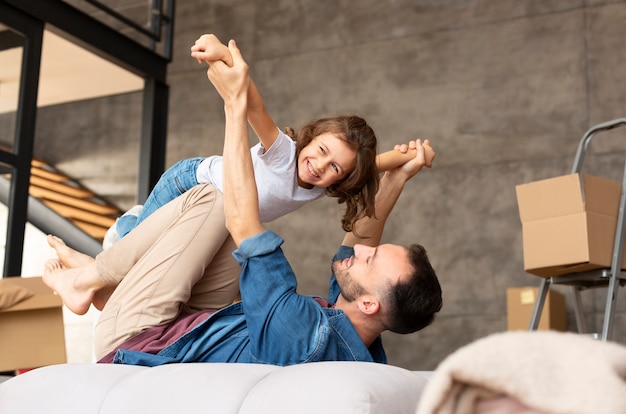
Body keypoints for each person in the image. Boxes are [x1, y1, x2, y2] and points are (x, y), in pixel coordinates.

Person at [43, 38, 442, 366]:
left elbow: (244, 219)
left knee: (220, 202)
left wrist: (233, 105)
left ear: (370, 302)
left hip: (139, 340)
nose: (365, 252)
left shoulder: (300, 331)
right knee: (223, 225)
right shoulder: (357, 345)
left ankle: (88, 279)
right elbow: (363, 214)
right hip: (189, 321)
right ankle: (106, 278)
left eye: (371, 260)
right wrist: (398, 175)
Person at [104, 34, 421, 248]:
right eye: (322, 150)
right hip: (189, 182)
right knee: (134, 242)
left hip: (216, 210)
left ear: (343, 177)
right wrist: (223, 53)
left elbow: (372, 166)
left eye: (335, 166)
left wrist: (411, 156)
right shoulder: (284, 152)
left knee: (164, 248)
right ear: (309, 140)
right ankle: (126, 223)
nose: (320, 165)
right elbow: (254, 105)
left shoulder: (324, 184)